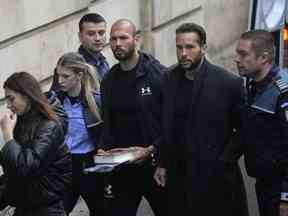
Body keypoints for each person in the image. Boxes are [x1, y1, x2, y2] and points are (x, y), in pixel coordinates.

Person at [154, 22, 248, 216]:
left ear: (203, 48)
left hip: (216, 179)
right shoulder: (168, 79)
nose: (183, 53)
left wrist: (224, 160)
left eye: (190, 47)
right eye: (179, 47)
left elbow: (244, 129)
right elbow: (166, 125)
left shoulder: (228, 83)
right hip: (179, 176)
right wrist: (162, 163)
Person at [99, 19, 167, 216]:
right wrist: (103, 149)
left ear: (136, 39)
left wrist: (158, 155)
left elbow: (172, 124)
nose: (117, 43)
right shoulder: (109, 80)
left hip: (154, 165)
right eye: (113, 39)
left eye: (123, 38)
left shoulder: (158, 75)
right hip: (122, 167)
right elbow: (108, 122)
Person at [0, 72, 72, 216]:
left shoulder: (49, 126)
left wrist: (8, 135)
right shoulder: (20, 122)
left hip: (46, 208)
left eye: (11, 99)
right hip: (25, 205)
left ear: (26, 95)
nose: (8, 105)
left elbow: (26, 167)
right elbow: (12, 169)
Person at [235, 29, 288, 216]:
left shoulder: (282, 93)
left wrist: (285, 197)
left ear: (263, 58)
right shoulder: (252, 86)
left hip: (279, 187)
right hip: (263, 183)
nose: (237, 59)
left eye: (243, 54)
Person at [52, 52, 104, 216]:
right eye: (58, 75)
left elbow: (108, 132)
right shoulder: (56, 101)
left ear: (79, 75)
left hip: (88, 163)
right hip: (64, 163)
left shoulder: (96, 101)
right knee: (57, 210)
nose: (60, 81)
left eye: (65, 76)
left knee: (99, 209)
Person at [50, 13, 109, 91]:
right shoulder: (70, 65)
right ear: (80, 37)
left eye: (101, 33)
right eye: (91, 34)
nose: (97, 38)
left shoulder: (103, 62)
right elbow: (56, 98)